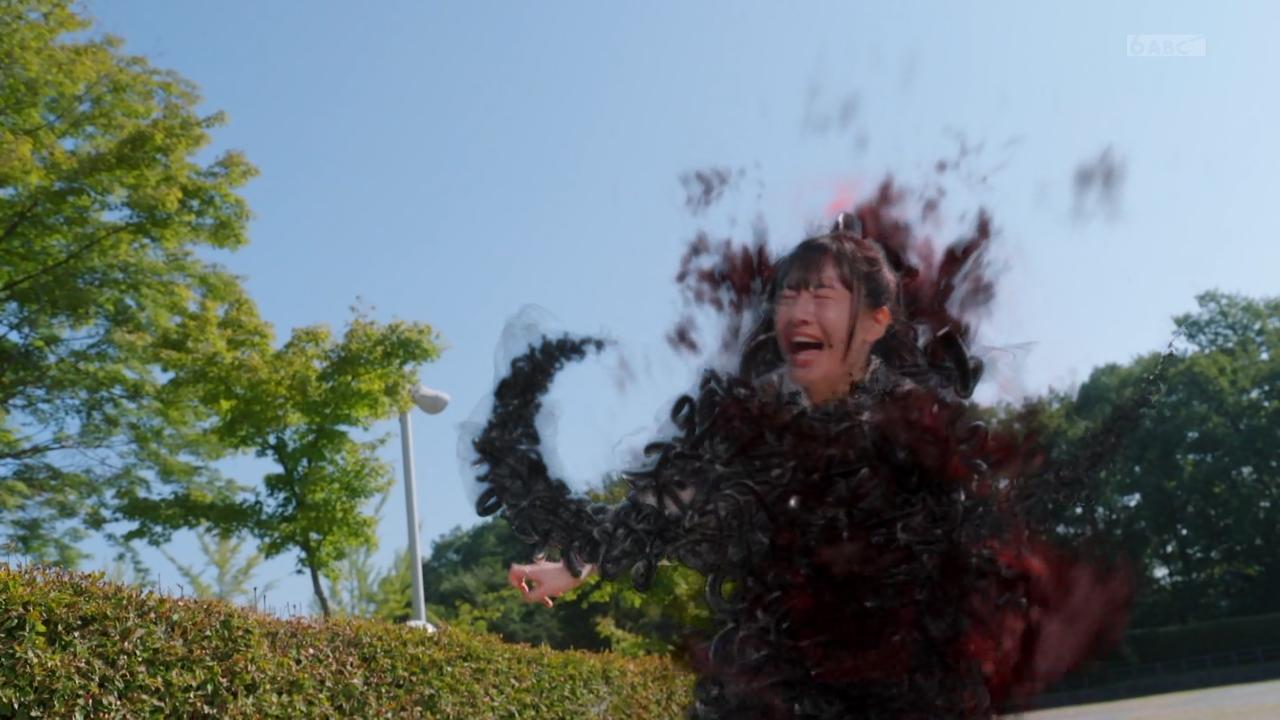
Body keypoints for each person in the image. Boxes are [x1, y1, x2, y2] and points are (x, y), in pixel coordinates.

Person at [472, 212, 1129, 719]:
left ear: (874, 322)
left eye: (823, 295)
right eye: (789, 296)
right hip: (782, 668)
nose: (799, 311)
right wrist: (575, 563)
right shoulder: (752, 413)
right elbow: (671, 497)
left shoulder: (917, 418)